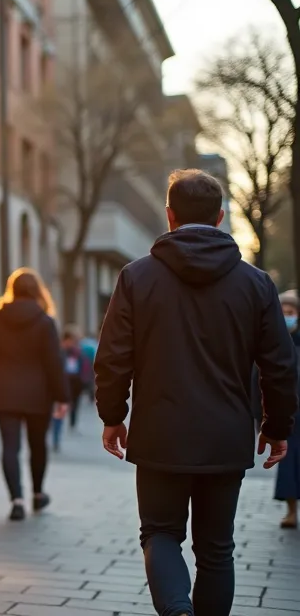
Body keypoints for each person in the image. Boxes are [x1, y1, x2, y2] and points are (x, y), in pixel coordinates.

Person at [95, 169, 297, 616]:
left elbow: (112, 357)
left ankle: (176, 610)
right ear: (220, 216)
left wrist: (113, 415)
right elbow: (280, 366)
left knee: (160, 533)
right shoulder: (256, 284)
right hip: (226, 435)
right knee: (216, 547)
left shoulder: (136, 277)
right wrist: (277, 426)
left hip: (160, 434)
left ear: (170, 215)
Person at [0, 267, 69, 521]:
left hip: (4, 392)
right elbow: (54, 363)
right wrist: (62, 396)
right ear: (37, 291)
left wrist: (0, 378)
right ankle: (38, 494)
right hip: (38, 394)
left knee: (10, 447)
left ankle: (17, 500)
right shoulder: (45, 321)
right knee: (38, 445)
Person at [274, 290, 300, 529]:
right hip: (288, 415)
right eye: (282, 312)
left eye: (290, 312)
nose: (287, 317)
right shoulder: (272, 342)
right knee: (289, 462)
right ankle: (291, 511)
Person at [50, 327, 94, 451]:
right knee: (59, 410)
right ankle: (55, 437)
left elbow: (84, 367)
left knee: (73, 405)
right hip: (61, 384)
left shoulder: (78, 352)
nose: (75, 343)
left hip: (74, 384)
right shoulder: (58, 352)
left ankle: (69, 426)